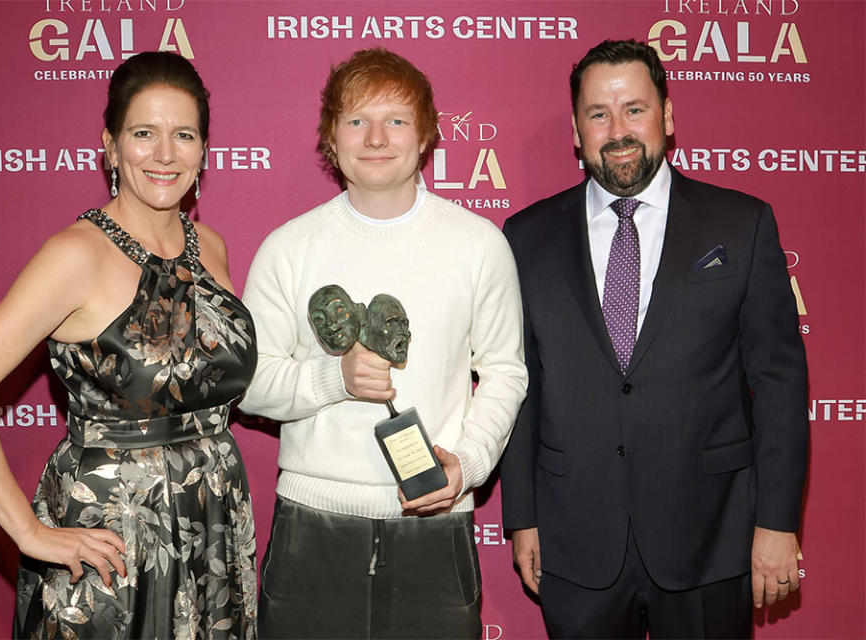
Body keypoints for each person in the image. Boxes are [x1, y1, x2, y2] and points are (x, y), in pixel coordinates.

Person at [0, 51, 258, 639]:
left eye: (183, 135)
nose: (164, 154)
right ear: (110, 145)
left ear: (204, 150)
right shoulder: (75, 255)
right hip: (116, 541)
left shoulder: (209, 245)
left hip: (215, 522)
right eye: (143, 133)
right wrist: (29, 532)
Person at [501, 39, 809, 638]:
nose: (618, 130)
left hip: (710, 539)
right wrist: (524, 518)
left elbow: (778, 384)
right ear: (576, 129)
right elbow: (520, 386)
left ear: (667, 116)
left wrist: (776, 524)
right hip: (575, 538)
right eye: (598, 114)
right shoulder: (526, 236)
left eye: (634, 109)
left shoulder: (741, 224)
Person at [239, 48, 527, 639]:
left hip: (436, 528)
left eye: (395, 120)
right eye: (355, 120)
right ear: (331, 137)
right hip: (311, 532)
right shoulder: (288, 247)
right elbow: (248, 384)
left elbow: (504, 372)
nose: (375, 138)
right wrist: (331, 378)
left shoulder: (478, 244)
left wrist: (467, 464)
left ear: (426, 136)